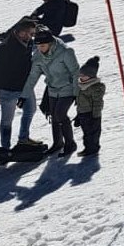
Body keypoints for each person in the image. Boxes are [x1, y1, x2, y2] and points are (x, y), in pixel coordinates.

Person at [23, 28, 80, 157]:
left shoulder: (65, 52)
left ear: (50, 43)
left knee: (60, 114)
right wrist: (24, 95)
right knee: (54, 116)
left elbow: (76, 72)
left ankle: (70, 144)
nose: (40, 48)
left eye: (42, 46)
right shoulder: (38, 56)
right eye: (38, 46)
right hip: (53, 89)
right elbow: (33, 76)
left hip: (68, 88)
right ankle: (58, 143)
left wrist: (77, 94)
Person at [0, 18, 41, 152]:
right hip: (8, 89)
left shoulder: (29, 44)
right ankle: (5, 148)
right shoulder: (3, 49)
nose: (29, 36)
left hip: (25, 88)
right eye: (26, 33)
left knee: (30, 110)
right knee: (7, 120)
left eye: (32, 34)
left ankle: (23, 138)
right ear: (18, 32)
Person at [74, 56, 105, 157]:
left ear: (91, 76)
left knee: (93, 134)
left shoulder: (96, 87)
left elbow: (97, 103)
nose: (81, 77)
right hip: (83, 113)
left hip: (92, 115)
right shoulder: (81, 85)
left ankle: (93, 149)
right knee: (86, 133)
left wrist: (95, 117)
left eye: (84, 75)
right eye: (81, 74)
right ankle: (88, 148)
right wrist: (78, 115)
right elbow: (79, 101)